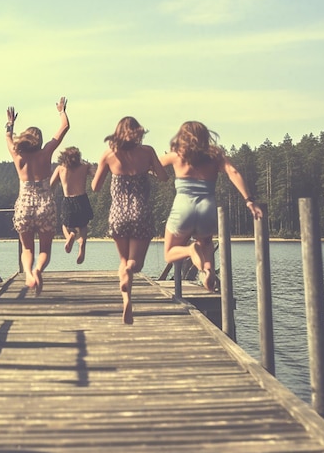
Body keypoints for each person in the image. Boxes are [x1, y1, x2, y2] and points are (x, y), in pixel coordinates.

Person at [160, 121, 263, 291]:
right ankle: (207, 272)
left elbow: (150, 165)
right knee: (206, 244)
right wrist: (249, 200)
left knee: (170, 253)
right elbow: (233, 172)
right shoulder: (216, 156)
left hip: (183, 207)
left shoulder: (176, 155)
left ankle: (191, 251)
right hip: (207, 209)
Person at [92, 116, 168, 324]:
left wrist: (104, 169)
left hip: (118, 215)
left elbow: (95, 187)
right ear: (138, 132)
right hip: (140, 213)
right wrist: (150, 168)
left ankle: (127, 299)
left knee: (123, 261)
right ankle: (128, 275)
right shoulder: (147, 152)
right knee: (135, 263)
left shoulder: (108, 154)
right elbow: (163, 177)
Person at [5, 97, 69, 295]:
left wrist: (10, 123)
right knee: (44, 250)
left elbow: (7, 137)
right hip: (44, 205)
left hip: (24, 206)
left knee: (27, 250)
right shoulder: (45, 153)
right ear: (39, 141)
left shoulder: (17, 155)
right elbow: (65, 127)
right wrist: (61, 111)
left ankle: (28, 274)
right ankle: (38, 270)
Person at [50, 147, 95, 264]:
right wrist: (90, 167)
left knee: (65, 224)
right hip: (82, 199)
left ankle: (70, 235)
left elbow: (51, 185)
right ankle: (82, 244)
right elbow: (95, 174)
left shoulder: (60, 169)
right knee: (83, 225)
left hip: (68, 199)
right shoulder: (84, 167)